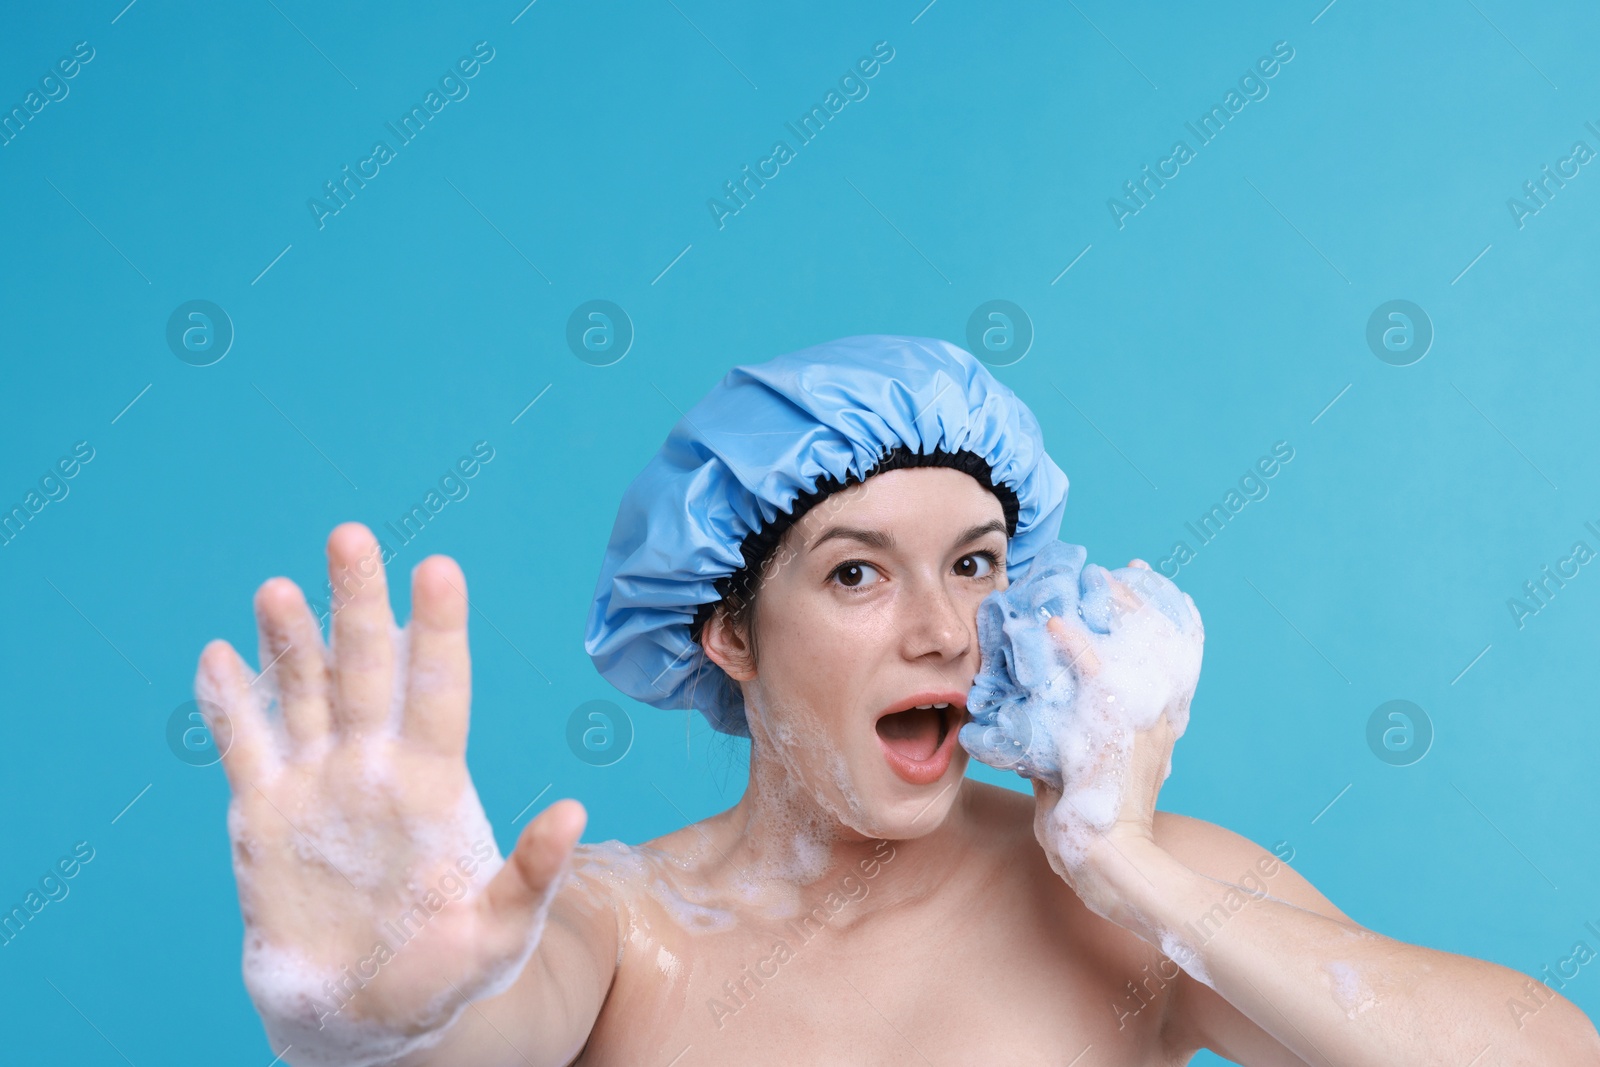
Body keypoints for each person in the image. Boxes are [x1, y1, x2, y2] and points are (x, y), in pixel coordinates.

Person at [197, 336, 1599, 1065]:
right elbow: (483, 1030)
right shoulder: (625, 928)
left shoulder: (1129, 903)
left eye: (978, 564)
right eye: (858, 575)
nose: (945, 628)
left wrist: (1126, 865)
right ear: (730, 632)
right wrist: (381, 1016)